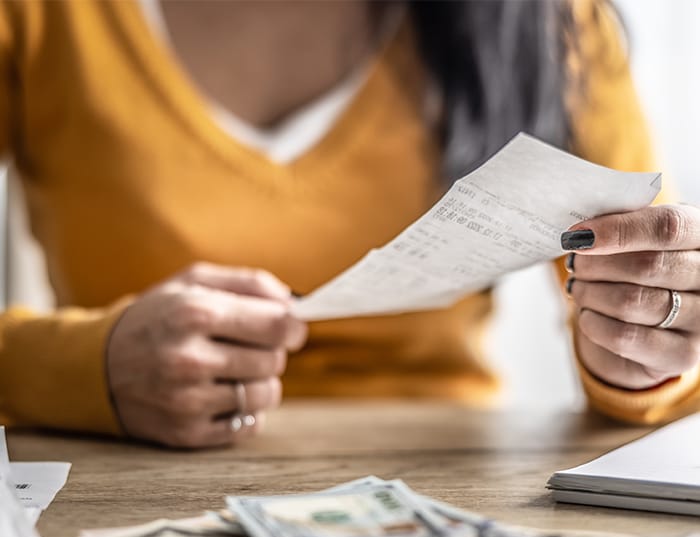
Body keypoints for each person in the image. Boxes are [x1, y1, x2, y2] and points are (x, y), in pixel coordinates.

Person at [0, 0, 698, 448]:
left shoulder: (550, 23)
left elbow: (661, 327)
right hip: (120, 485)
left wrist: (646, 354)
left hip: (456, 486)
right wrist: (85, 368)